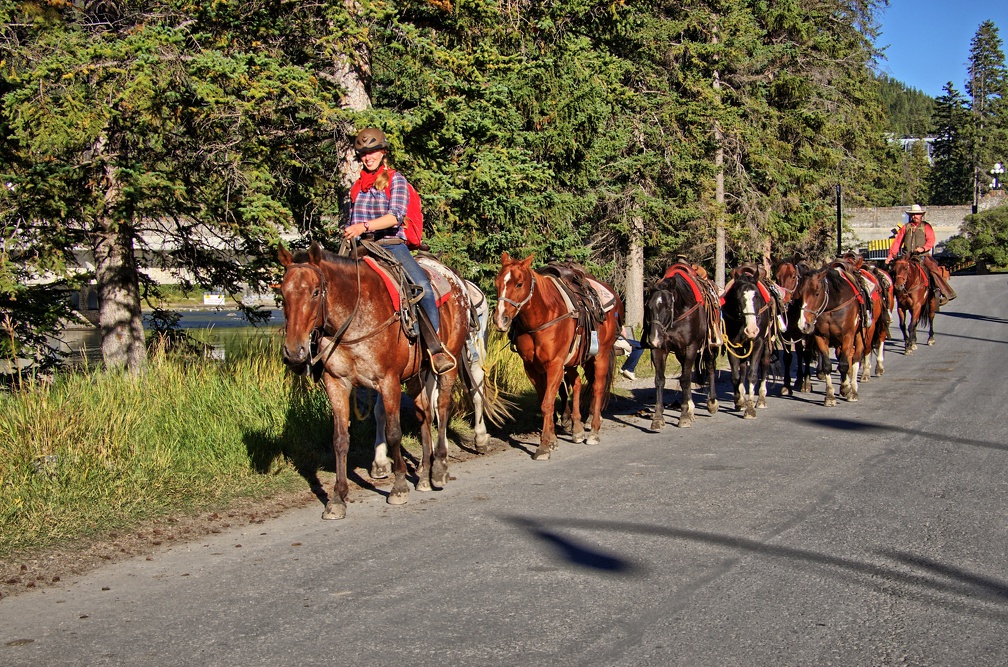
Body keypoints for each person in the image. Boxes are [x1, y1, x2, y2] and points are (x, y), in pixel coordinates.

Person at [344, 127, 455, 373]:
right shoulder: (356, 188)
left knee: (422, 287)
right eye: (363, 153)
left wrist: (363, 226)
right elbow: (350, 221)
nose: (368, 157)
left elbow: (395, 217)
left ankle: (435, 348)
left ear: (383, 153)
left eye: (372, 152)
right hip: (362, 248)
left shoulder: (396, 180)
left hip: (391, 245)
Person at [886, 204, 957, 304]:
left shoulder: (926, 226)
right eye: (913, 214)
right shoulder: (906, 227)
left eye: (917, 214)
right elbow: (897, 242)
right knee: (893, 272)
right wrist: (890, 256)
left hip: (922, 256)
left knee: (933, 270)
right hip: (907, 257)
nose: (915, 216)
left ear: (921, 215)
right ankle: (887, 298)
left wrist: (923, 248)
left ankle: (943, 292)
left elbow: (931, 240)